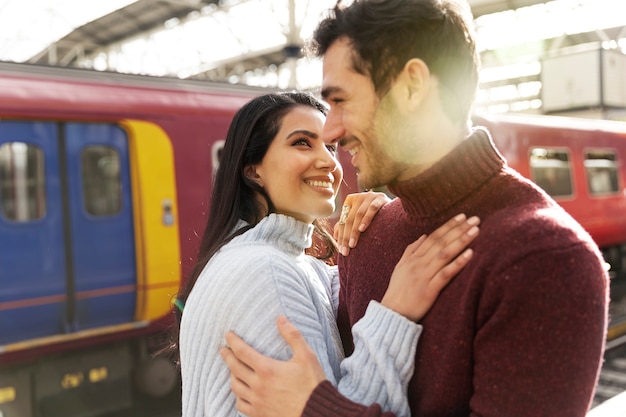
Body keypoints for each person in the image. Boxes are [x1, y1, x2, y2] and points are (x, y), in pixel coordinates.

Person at [220, 1, 610, 416]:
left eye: (341, 101)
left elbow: (326, 396)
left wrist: (315, 409)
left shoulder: (545, 257)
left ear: (411, 86)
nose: (331, 131)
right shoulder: (366, 234)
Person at [175, 91, 481, 417]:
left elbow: (354, 294)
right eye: (302, 143)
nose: (329, 162)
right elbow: (327, 407)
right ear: (253, 171)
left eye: (331, 147)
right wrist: (396, 313)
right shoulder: (266, 271)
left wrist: (387, 219)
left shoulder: (286, 264)